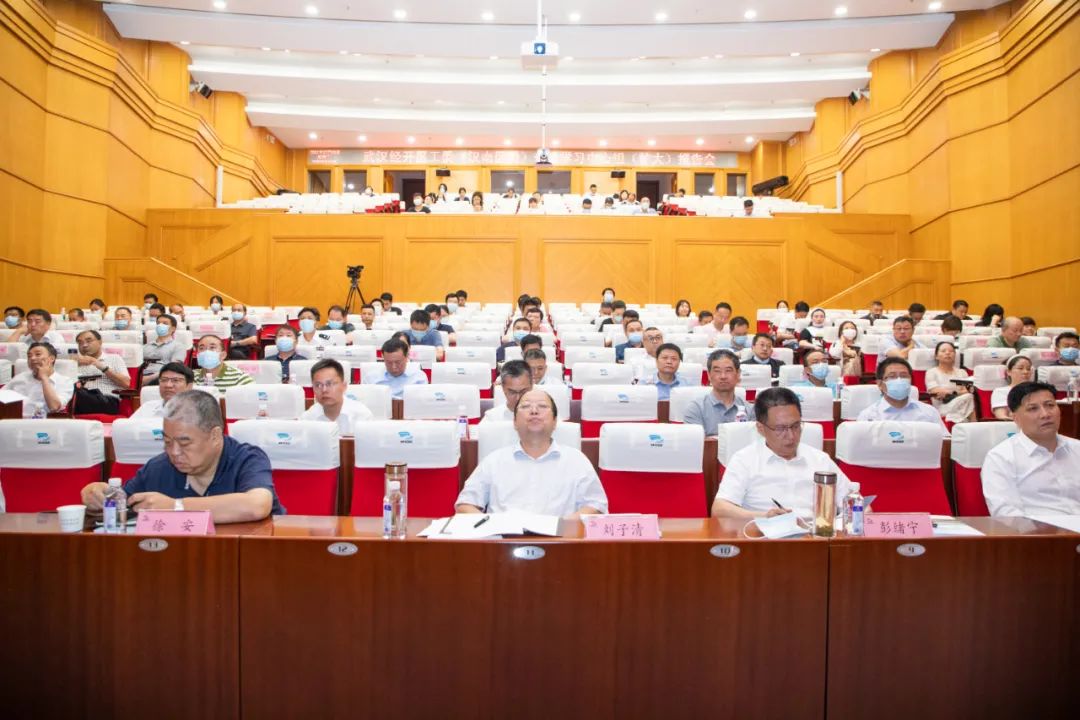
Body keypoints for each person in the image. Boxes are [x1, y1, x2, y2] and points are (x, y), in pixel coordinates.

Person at [80, 390, 284, 521]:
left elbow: (257, 505)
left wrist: (175, 507)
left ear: (215, 435)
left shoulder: (246, 459)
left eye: (184, 442)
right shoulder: (159, 467)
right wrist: (97, 494)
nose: (174, 452)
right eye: (167, 442)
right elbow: (123, 501)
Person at [455, 389, 607, 517]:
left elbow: (596, 505)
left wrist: (564, 527)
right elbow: (465, 504)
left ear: (555, 421)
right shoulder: (494, 461)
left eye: (542, 406)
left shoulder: (576, 460)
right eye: (526, 406)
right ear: (515, 422)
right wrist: (492, 527)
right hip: (503, 540)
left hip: (561, 540)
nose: (534, 411)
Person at [711, 387, 850, 520]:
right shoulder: (745, 460)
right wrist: (764, 517)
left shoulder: (820, 460)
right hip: (764, 533)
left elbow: (852, 501)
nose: (791, 436)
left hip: (814, 532)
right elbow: (719, 510)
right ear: (760, 428)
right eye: (780, 428)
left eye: (796, 426)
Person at [981, 381, 1080, 517]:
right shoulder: (1001, 457)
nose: (1045, 414)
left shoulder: (1076, 448)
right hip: (1038, 529)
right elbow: (1006, 514)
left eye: (1050, 405)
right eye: (1033, 409)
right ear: (1015, 418)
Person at [856, 357, 948, 433]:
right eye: (892, 376)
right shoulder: (868, 416)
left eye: (904, 376)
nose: (899, 380)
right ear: (880, 384)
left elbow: (945, 442)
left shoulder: (929, 413)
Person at [683, 349, 755, 434]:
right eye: (717, 371)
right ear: (709, 375)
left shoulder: (750, 410)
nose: (723, 376)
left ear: (738, 374)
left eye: (728, 370)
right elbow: (695, 441)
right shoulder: (696, 409)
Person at [301, 359, 373, 434]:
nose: (324, 390)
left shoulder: (362, 416)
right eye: (318, 385)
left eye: (329, 384)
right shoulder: (307, 419)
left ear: (344, 386)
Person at [5, 342, 75, 417]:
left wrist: (44, 377)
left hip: (45, 422)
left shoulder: (65, 382)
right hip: (15, 420)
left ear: (52, 358)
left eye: (38, 354)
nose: (32, 358)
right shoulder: (19, 378)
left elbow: (54, 407)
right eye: (29, 356)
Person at [73, 330, 130, 414]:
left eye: (89, 341)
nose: (84, 345)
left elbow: (126, 383)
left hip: (106, 400)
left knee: (76, 394)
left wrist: (99, 365)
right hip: (81, 398)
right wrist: (71, 365)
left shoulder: (114, 358)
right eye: (80, 343)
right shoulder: (74, 363)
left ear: (100, 342)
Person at [925, 341, 976, 424]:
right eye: (943, 351)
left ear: (955, 355)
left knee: (969, 397)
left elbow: (969, 390)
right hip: (942, 407)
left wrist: (951, 393)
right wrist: (959, 392)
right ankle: (973, 423)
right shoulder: (931, 372)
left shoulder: (962, 372)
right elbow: (936, 391)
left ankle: (964, 422)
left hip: (962, 405)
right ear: (936, 356)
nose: (947, 353)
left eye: (951, 351)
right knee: (968, 397)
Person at [142, 314, 187, 384]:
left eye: (165, 323)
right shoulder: (145, 347)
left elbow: (174, 368)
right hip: (141, 375)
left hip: (162, 378)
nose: (160, 325)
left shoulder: (178, 346)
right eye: (158, 323)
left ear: (173, 328)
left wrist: (149, 378)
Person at [992, 355, 1034, 419]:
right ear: (1008, 372)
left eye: (1028, 369)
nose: (1026, 372)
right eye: (1020, 368)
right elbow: (1002, 416)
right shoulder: (1001, 392)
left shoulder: (1038, 391)